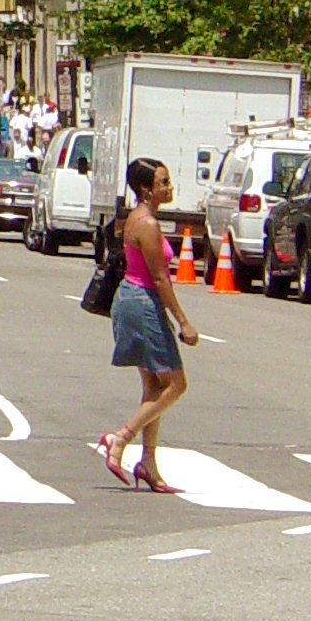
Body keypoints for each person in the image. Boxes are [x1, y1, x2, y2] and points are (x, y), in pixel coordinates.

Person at [97, 157, 198, 492]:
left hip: (133, 299)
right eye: (163, 182)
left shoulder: (137, 219)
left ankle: (148, 465)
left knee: (154, 388)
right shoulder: (148, 225)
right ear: (146, 188)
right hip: (141, 302)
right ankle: (120, 438)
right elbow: (159, 277)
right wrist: (183, 321)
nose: (169, 188)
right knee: (176, 383)